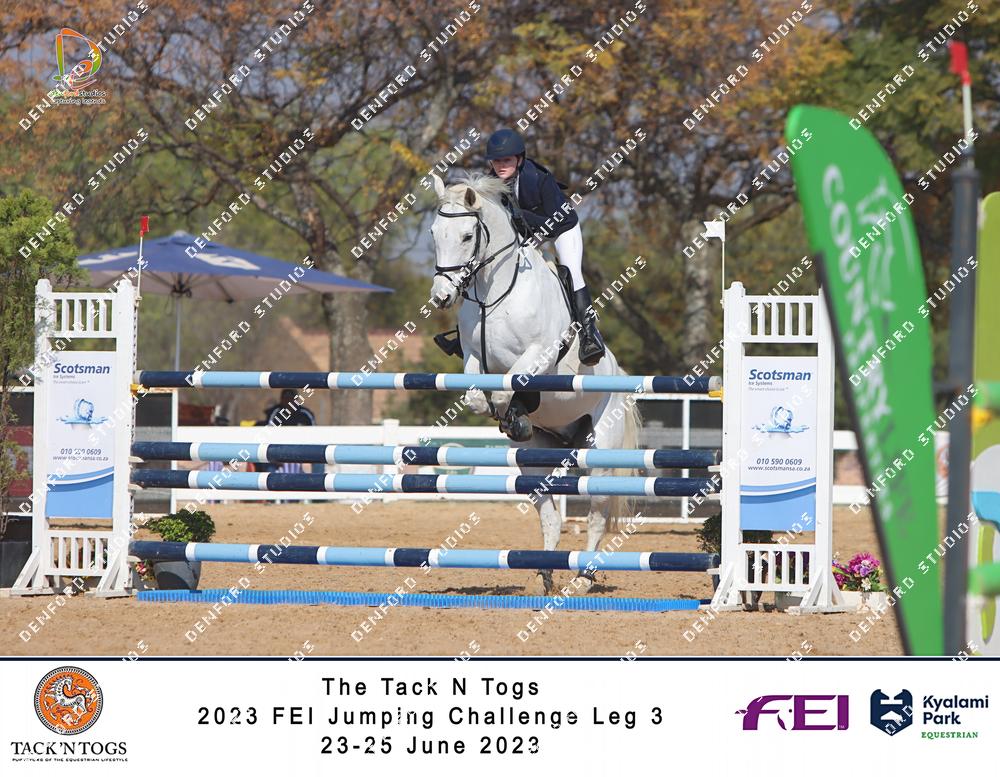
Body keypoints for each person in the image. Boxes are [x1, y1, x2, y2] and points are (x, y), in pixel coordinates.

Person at [485, 128, 606, 366]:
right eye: (496, 161)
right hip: (527, 231)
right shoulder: (491, 183)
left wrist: (522, 217)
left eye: (506, 160)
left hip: (561, 227)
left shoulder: (539, 178)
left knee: (572, 272)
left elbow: (556, 222)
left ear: (519, 160)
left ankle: (589, 335)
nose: (501, 166)